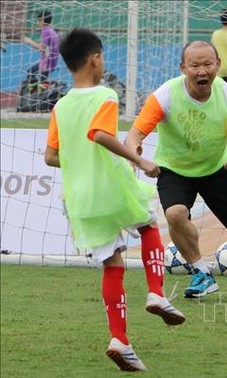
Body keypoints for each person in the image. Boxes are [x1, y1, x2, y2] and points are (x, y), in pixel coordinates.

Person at [44, 28, 186, 372]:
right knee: (149, 225)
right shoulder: (105, 95)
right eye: (103, 56)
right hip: (109, 184)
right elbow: (101, 134)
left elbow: (50, 156)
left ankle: (120, 340)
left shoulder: (61, 105)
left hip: (80, 197)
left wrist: (79, 156)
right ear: (95, 59)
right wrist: (140, 161)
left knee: (113, 263)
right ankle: (156, 292)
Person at [125, 41, 227, 302]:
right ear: (183, 68)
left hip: (218, 168)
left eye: (207, 64)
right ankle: (202, 273)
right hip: (175, 169)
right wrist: (135, 155)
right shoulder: (165, 95)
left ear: (218, 65)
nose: (202, 71)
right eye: (195, 65)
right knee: (175, 214)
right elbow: (134, 135)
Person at [22, 10, 60, 83]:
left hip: (47, 62)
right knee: (35, 74)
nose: (37, 23)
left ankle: (35, 91)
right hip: (52, 60)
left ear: (41, 20)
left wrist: (29, 41)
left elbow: (42, 48)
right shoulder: (51, 30)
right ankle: (38, 89)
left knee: (31, 73)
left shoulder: (45, 31)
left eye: (38, 21)